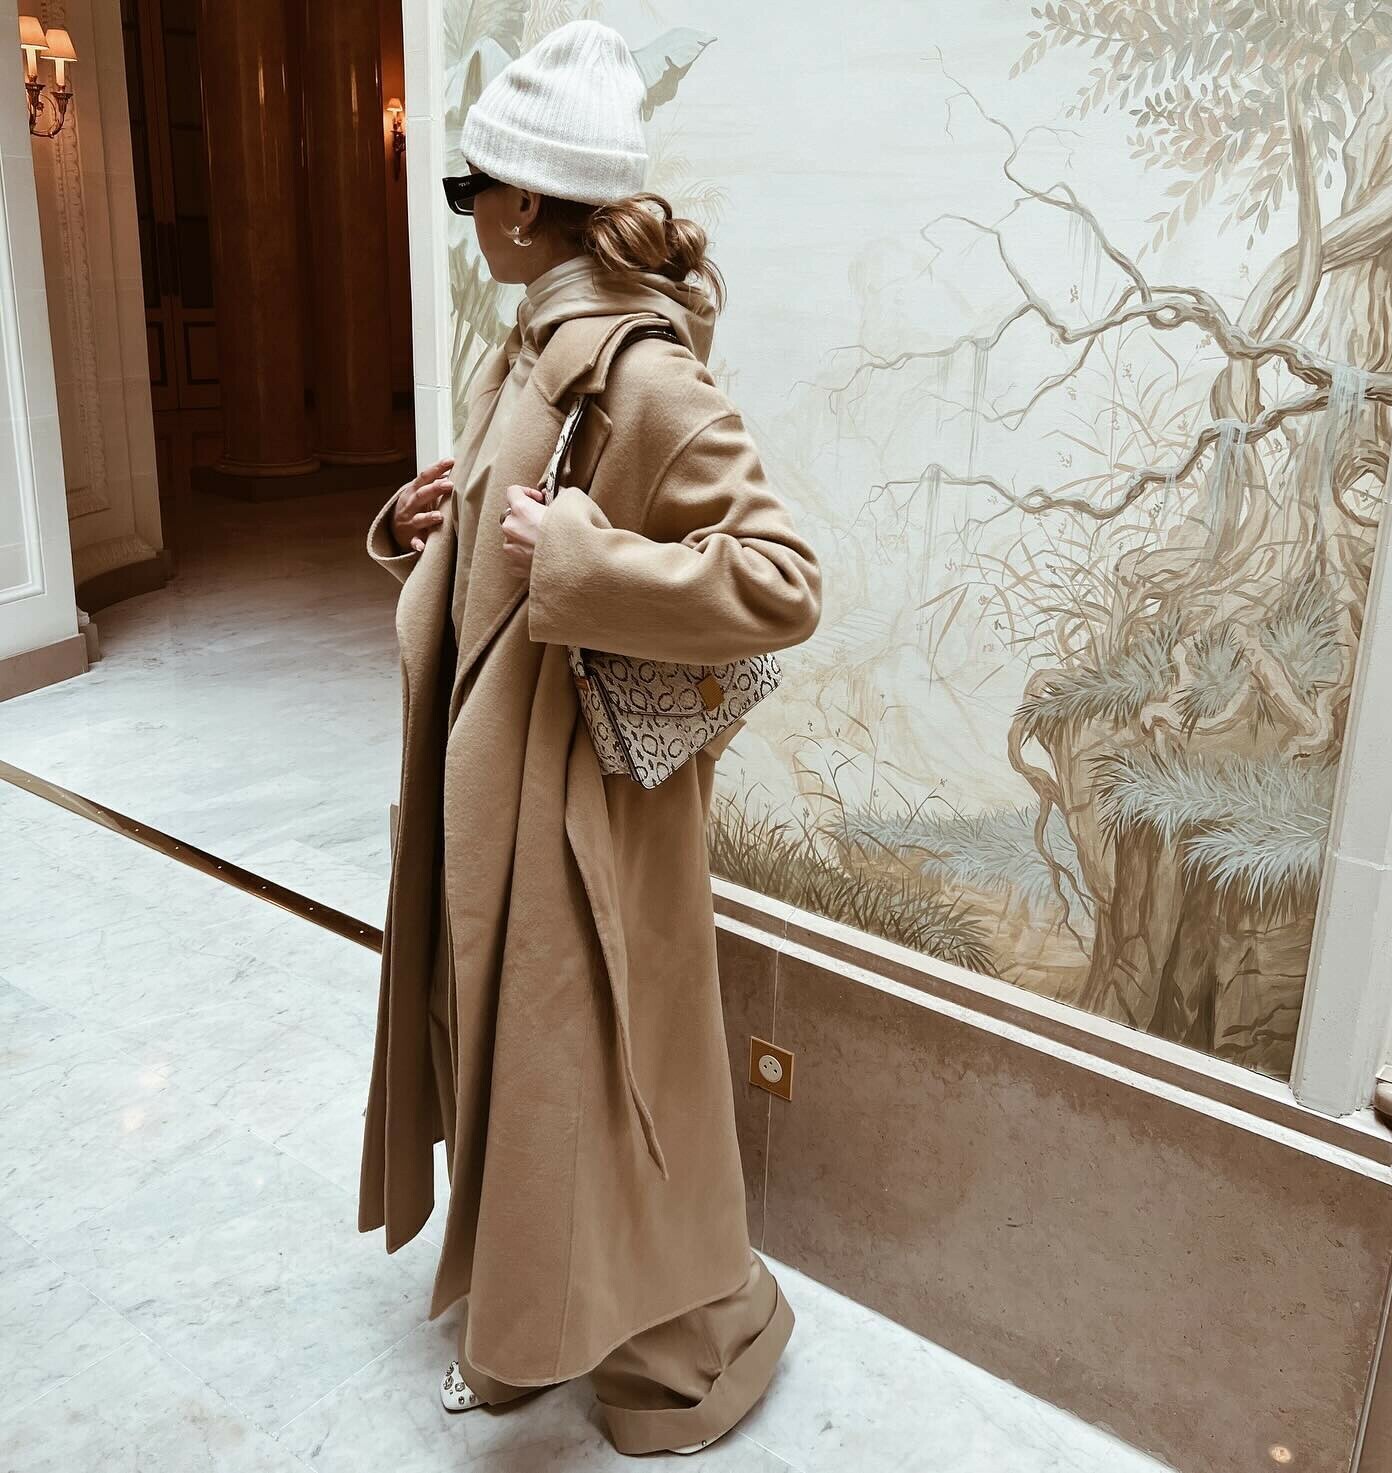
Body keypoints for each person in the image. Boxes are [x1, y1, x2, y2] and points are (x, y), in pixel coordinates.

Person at [358, 17, 822, 1458]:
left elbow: (783, 580)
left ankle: (680, 1343)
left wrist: (579, 558)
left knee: (581, 1082)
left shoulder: (642, 373)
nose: (465, 216)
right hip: (492, 794)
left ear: (519, 206)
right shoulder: (531, 348)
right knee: (504, 1061)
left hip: (581, 819)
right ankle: (524, 1315)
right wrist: (427, 523)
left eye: (469, 190)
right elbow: (506, 547)